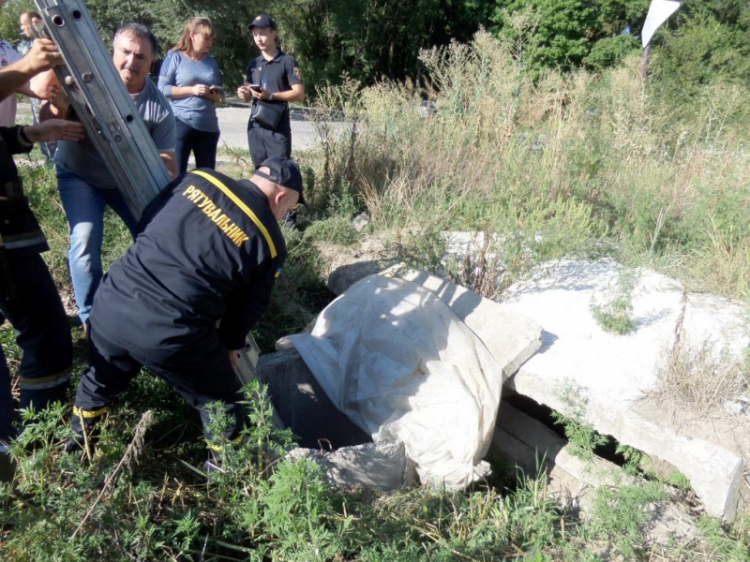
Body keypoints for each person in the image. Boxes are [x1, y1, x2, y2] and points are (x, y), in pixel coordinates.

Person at [67, 157, 304, 457]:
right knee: (222, 404)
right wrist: (230, 344)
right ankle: (226, 481)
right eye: (289, 209)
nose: (284, 216)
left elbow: (147, 222)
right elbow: (248, 308)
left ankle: (75, 459)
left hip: (112, 301)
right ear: (280, 196)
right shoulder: (270, 242)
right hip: (171, 331)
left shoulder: (200, 178)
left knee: (97, 384)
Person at [44, 23, 177, 330]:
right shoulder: (82, 79)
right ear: (111, 51)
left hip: (125, 181)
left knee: (156, 241)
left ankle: (154, 308)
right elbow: (45, 126)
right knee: (85, 238)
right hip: (79, 174)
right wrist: (60, 106)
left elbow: (169, 168)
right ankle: (92, 319)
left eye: (140, 56)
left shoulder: (159, 109)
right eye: (125, 52)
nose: (131, 61)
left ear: (151, 63)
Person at [0, 39, 86, 479]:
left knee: (48, 332)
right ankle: (18, 464)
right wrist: (23, 69)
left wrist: (27, 135)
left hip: (7, 217)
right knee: (46, 334)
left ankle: (31, 448)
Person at [158, 17, 223, 176]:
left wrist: (213, 95)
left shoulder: (211, 63)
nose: (209, 43)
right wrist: (192, 90)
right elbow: (162, 88)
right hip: (181, 122)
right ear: (193, 35)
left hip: (208, 126)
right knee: (175, 174)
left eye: (211, 39)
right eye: (205, 38)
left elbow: (220, 97)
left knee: (207, 178)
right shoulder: (175, 57)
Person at [18, 11, 55, 160]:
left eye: (23, 24)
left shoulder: (50, 45)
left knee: (52, 138)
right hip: (36, 99)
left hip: (49, 98)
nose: (21, 28)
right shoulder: (28, 47)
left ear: (36, 23)